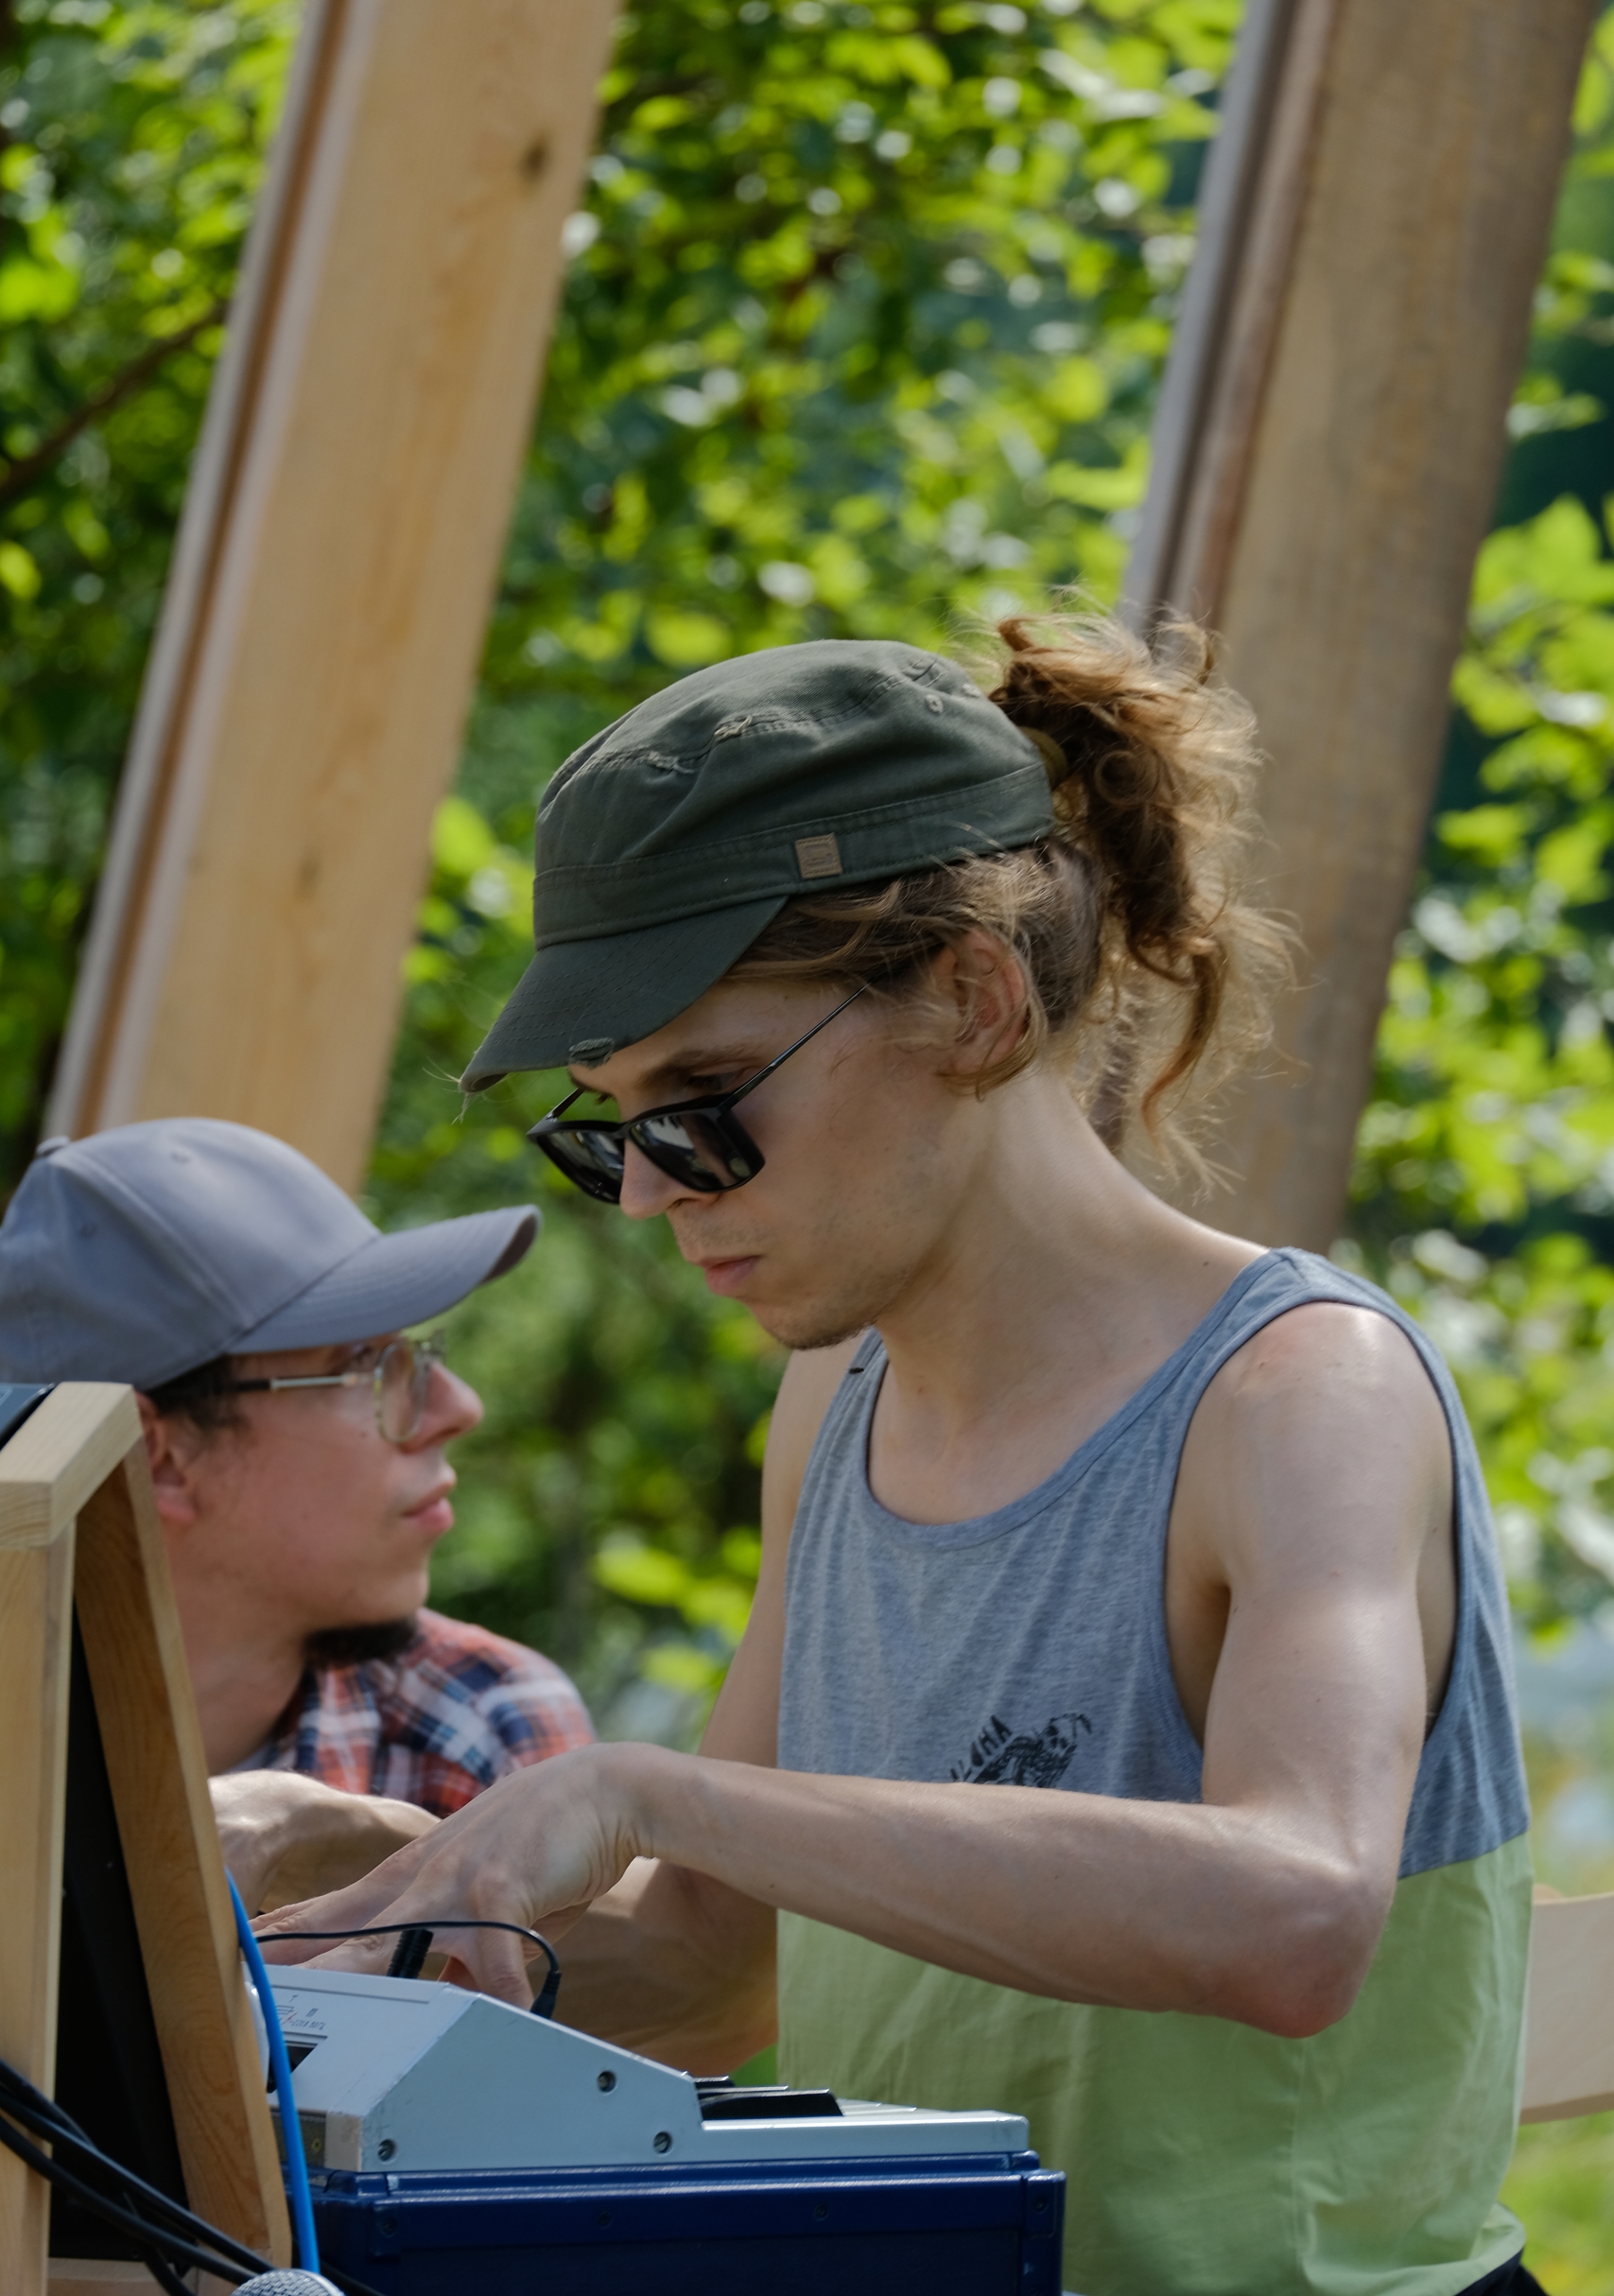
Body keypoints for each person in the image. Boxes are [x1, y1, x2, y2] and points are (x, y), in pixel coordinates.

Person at [263, 621, 1536, 2296]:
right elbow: (713, 1971)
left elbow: (1296, 1916)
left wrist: (644, 1791)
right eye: (608, 1126)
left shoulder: (1299, 1393)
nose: (645, 1192)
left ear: (973, 1003)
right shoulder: (835, 1397)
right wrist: (330, 1886)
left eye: (703, 1101)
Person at [0, 1118, 592, 1909]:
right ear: (153, 1457)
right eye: (366, 1365)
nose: (458, 1407)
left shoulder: (483, 1726)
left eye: (417, 1354)